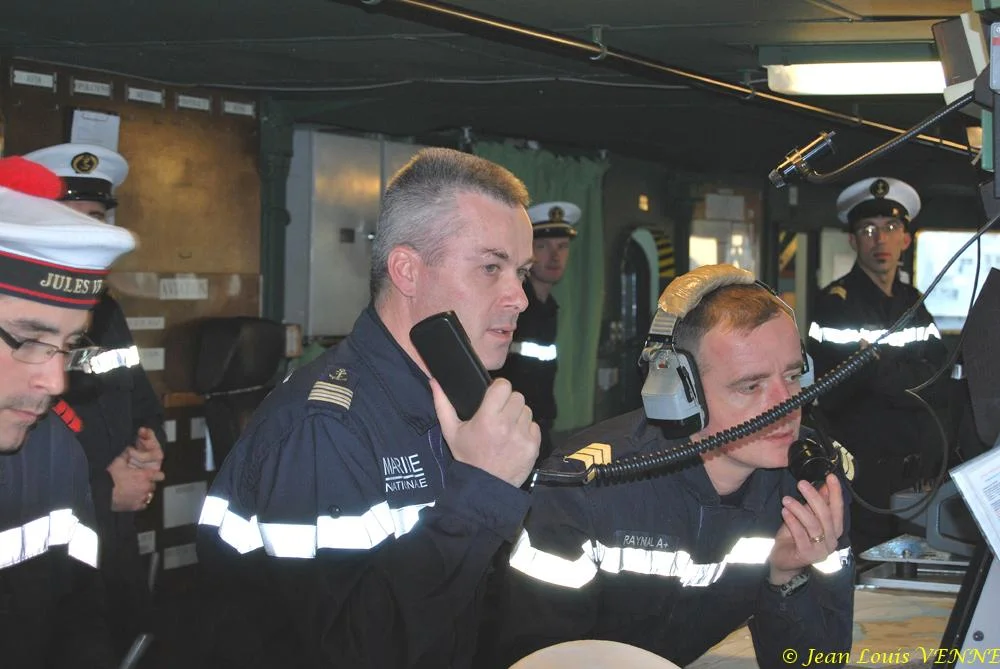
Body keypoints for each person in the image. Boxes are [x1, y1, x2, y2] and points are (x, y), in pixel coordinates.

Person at [193, 147, 541, 668]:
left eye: (522, 271)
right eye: (492, 267)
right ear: (406, 270)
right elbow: (345, 651)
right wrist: (481, 490)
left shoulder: (449, 404)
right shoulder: (325, 428)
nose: (520, 297)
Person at [479, 264, 854, 669]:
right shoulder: (588, 491)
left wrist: (787, 580)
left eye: (795, 376)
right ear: (678, 391)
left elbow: (820, 661)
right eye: (751, 385)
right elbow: (536, 658)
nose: (786, 404)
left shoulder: (811, 480)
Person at [24, 142, 166, 651]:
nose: (92, 231)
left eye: (99, 218)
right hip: (50, 561)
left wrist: (148, 448)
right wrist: (108, 490)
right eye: (76, 217)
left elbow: (142, 403)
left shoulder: (107, 314)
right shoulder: (15, 321)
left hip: (113, 546)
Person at [0, 166, 137, 668]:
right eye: (31, 340)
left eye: (69, 347)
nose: (55, 383)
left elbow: (78, 612)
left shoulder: (54, 451)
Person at [807, 177, 947, 553]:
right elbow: (836, 389)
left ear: (906, 238)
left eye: (890, 228)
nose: (879, 240)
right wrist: (901, 376)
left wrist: (879, 367)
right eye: (868, 230)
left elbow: (938, 377)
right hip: (859, 474)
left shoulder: (915, 303)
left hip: (912, 475)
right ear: (853, 241)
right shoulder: (835, 304)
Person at [496, 201, 578, 463]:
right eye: (542, 247)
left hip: (537, 427)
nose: (555, 257)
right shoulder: (512, 305)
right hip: (507, 433)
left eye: (562, 247)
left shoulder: (548, 308)